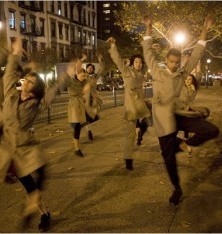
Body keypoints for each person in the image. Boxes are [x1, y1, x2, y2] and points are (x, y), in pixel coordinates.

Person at [142, 15, 219, 206]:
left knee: (211, 130)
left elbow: (197, 54)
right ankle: (177, 188)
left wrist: (204, 29)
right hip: (162, 118)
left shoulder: (183, 72)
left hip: (178, 114)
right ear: (167, 61)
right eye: (172, 62)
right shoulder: (157, 71)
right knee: (169, 159)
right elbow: (147, 51)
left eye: (177, 62)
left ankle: (183, 144)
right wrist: (148, 27)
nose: (175, 65)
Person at [0, 37, 75, 232]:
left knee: (39, 178)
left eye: (31, 82)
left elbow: (55, 89)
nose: (26, 83)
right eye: (27, 80)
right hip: (9, 148)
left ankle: (38, 212)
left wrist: (66, 74)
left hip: (27, 147)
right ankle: (43, 212)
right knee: (30, 188)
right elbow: (9, 72)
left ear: (36, 88)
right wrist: (15, 53)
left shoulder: (37, 104)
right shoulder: (11, 93)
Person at [106, 37, 151, 170]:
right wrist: (113, 46)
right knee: (129, 135)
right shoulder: (127, 72)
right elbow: (118, 61)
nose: (139, 64)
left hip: (141, 107)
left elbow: (141, 92)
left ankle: (141, 132)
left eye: (140, 62)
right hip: (131, 108)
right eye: (136, 62)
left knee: (150, 120)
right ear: (132, 63)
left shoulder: (141, 75)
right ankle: (128, 158)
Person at [64, 55, 96, 157]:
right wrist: (81, 60)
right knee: (77, 127)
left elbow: (90, 82)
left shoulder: (84, 82)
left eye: (84, 76)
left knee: (85, 122)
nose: (83, 78)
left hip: (81, 105)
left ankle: (86, 134)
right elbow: (73, 69)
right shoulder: (71, 82)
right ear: (77, 75)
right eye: (82, 76)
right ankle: (77, 148)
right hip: (74, 107)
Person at [84, 54, 105, 141]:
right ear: (86, 69)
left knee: (93, 114)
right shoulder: (83, 76)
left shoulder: (95, 76)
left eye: (91, 68)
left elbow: (102, 69)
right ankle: (89, 131)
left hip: (94, 97)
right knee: (85, 117)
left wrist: (100, 61)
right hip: (85, 99)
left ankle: (93, 118)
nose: (90, 69)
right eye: (88, 68)